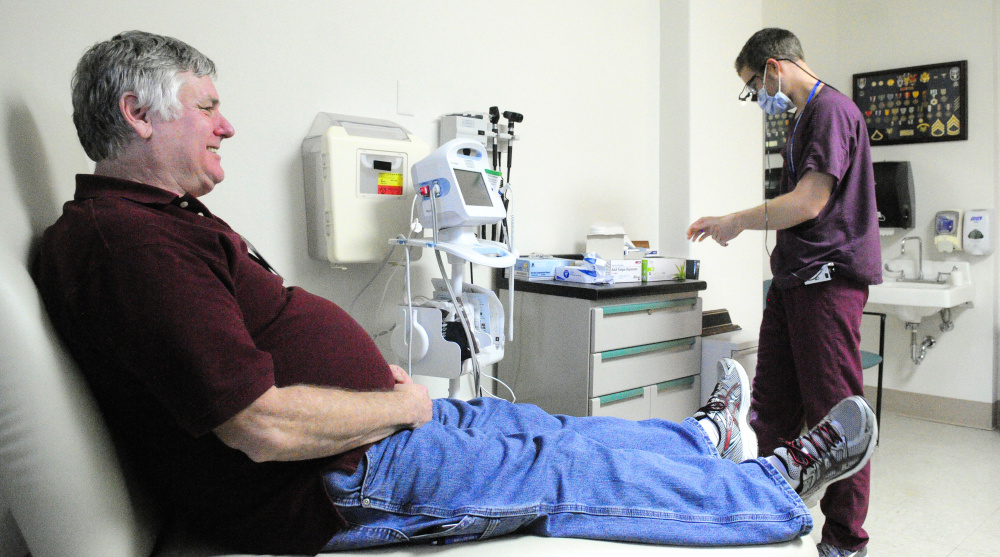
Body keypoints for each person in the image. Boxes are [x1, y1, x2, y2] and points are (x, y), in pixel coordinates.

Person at [35, 31, 876, 556]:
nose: (225, 125)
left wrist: (388, 397)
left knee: (549, 424)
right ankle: (770, 487)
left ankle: (699, 439)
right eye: (207, 107)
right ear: (138, 114)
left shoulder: (159, 223)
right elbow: (259, 424)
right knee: (560, 467)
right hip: (335, 479)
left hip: (367, 434)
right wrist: (395, 406)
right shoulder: (126, 244)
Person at [687, 28, 882, 557]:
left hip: (826, 282)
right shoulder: (801, 119)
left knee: (837, 421)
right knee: (769, 408)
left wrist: (735, 220)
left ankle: (844, 541)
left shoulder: (831, 111)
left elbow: (809, 202)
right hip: (794, 281)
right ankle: (769, 515)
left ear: (773, 66)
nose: (758, 96)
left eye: (755, 85)